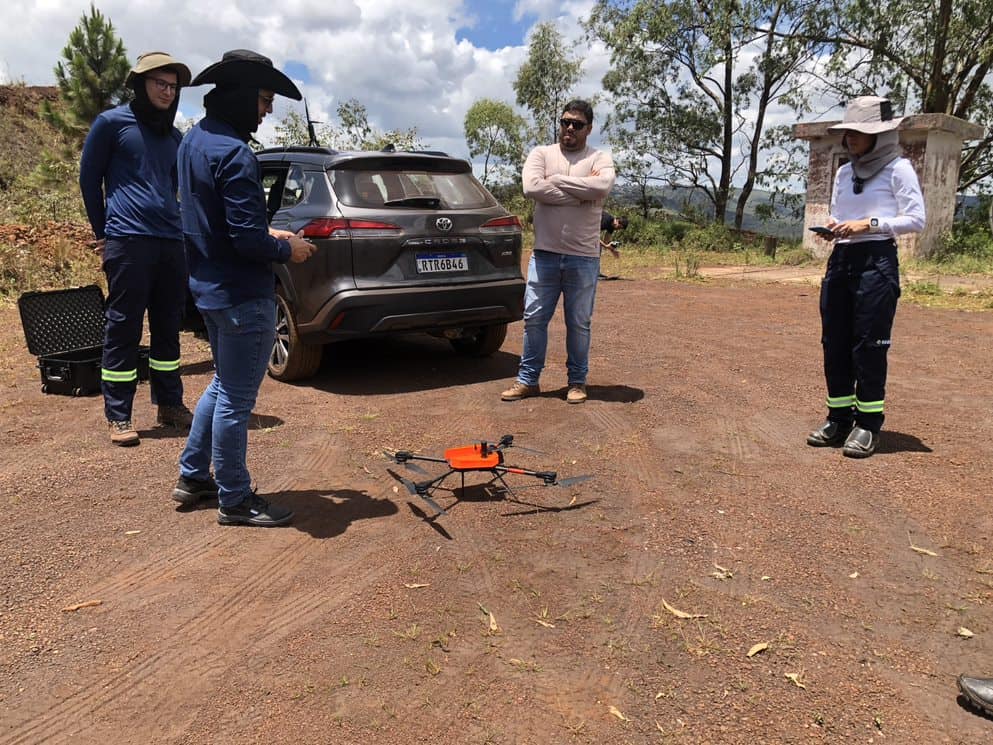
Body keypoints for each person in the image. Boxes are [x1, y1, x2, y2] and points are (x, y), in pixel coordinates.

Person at [172, 50, 316, 527]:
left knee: (221, 385)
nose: (268, 110)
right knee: (236, 399)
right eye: (264, 98)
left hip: (210, 289)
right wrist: (286, 249)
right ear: (240, 96)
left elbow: (216, 221)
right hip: (241, 294)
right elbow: (245, 239)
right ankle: (234, 499)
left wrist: (264, 234)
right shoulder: (234, 153)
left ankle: (193, 476)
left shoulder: (195, 140)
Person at [79, 52, 196, 447]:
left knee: (168, 326)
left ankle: (170, 404)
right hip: (127, 240)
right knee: (123, 326)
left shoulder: (175, 137)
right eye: (159, 84)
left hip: (170, 242)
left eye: (172, 86)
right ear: (141, 85)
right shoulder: (111, 124)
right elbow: (89, 179)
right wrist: (103, 234)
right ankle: (119, 414)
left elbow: (179, 192)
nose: (166, 91)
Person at [806, 95, 925, 458]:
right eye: (848, 132)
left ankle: (868, 425)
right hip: (842, 260)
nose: (850, 138)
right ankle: (839, 418)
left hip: (877, 260)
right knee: (835, 342)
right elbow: (841, 214)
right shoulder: (844, 172)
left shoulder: (898, 169)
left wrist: (869, 224)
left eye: (859, 132)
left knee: (869, 345)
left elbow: (916, 218)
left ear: (881, 135)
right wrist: (833, 226)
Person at [501, 100, 615, 405]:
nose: (569, 128)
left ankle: (576, 382)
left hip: (584, 257)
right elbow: (531, 187)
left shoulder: (599, 158)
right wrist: (581, 194)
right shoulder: (541, 153)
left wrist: (558, 182)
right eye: (565, 122)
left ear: (588, 129)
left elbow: (602, 187)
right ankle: (528, 381)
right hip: (545, 255)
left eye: (577, 124)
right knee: (534, 318)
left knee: (579, 323)